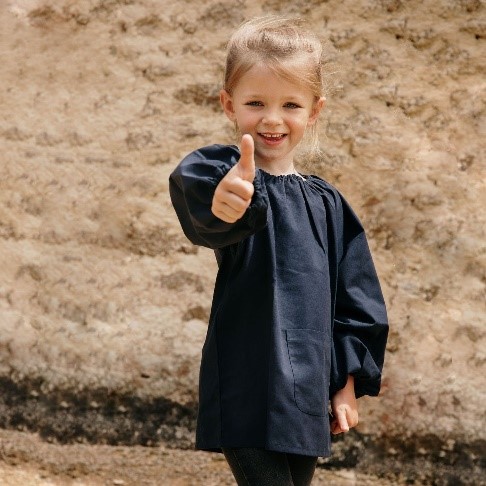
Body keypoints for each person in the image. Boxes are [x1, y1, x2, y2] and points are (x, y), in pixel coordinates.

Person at [169, 15, 388, 486]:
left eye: (290, 103)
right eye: (255, 102)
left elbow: (354, 303)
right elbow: (209, 208)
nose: (271, 118)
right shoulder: (229, 174)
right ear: (229, 104)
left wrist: (345, 385)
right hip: (247, 385)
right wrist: (226, 202)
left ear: (314, 110)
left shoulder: (328, 205)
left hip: (306, 397)